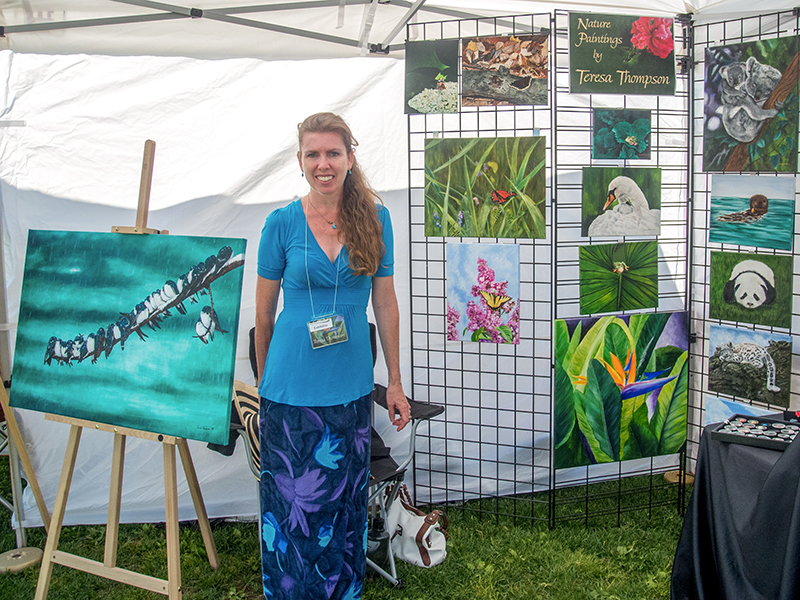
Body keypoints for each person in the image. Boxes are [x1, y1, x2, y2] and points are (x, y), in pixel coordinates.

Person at [254, 112, 411, 600]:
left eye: (332, 153)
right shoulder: (280, 224)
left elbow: (384, 302)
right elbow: (264, 315)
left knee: (343, 498)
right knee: (293, 502)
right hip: (290, 384)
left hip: (349, 383)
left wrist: (395, 381)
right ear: (300, 161)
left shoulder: (375, 217)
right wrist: (263, 383)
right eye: (313, 154)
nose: (323, 163)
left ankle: (342, 591)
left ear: (349, 156)